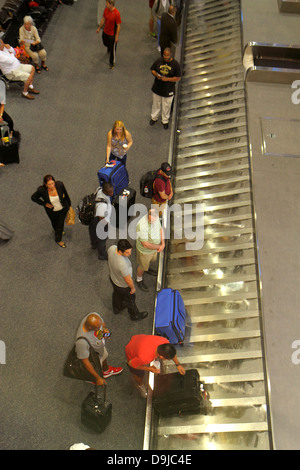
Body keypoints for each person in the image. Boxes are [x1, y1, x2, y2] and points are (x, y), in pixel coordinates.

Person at [75, 312, 123, 386]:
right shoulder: (81, 342)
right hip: (92, 355)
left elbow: (102, 325)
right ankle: (91, 378)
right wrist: (97, 378)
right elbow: (85, 361)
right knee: (94, 367)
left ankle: (106, 371)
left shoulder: (94, 315)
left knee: (104, 356)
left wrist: (104, 331)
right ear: (90, 327)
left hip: (99, 348)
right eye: (97, 328)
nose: (99, 328)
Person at [107, 239, 148, 321]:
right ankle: (135, 315)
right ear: (120, 251)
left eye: (130, 251)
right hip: (123, 286)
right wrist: (132, 288)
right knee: (130, 300)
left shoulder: (112, 248)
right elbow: (128, 280)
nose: (130, 254)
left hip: (114, 278)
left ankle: (117, 308)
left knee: (117, 294)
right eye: (127, 252)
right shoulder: (122, 264)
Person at [31, 174, 71, 248]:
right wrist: (44, 203)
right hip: (51, 211)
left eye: (53, 183)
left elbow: (66, 195)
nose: (52, 186)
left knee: (60, 224)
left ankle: (58, 240)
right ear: (45, 184)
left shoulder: (60, 185)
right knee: (54, 223)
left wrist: (69, 206)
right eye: (49, 184)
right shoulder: (41, 190)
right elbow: (33, 197)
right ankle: (57, 231)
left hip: (62, 209)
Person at [149, 47, 181, 129]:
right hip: (157, 87)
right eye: (164, 55)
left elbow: (178, 78)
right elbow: (152, 69)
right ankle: (154, 117)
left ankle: (165, 120)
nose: (166, 57)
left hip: (168, 89)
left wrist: (167, 79)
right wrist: (157, 75)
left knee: (166, 106)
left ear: (171, 55)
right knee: (156, 104)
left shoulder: (175, 64)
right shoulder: (159, 61)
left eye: (167, 55)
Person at [136, 208, 165, 292]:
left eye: (155, 219)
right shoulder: (142, 226)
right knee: (142, 266)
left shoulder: (155, 219)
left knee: (150, 261)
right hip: (145, 252)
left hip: (154, 249)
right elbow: (145, 244)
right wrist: (159, 247)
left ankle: (147, 268)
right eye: (152, 220)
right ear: (148, 216)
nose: (154, 221)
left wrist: (163, 243)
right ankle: (139, 279)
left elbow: (160, 229)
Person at [89, 181, 114, 260]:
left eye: (112, 191)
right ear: (104, 191)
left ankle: (94, 244)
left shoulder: (99, 189)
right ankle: (102, 255)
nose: (112, 193)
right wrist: (107, 225)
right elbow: (101, 219)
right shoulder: (102, 206)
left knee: (93, 233)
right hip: (100, 222)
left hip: (93, 218)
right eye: (109, 192)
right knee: (102, 239)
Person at [96, 0, 121, 70]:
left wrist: (117, 36)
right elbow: (103, 19)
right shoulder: (106, 9)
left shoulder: (117, 13)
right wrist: (99, 28)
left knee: (112, 50)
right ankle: (109, 47)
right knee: (105, 42)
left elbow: (118, 26)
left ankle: (111, 63)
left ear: (111, 4)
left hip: (112, 35)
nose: (105, 4)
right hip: (105, 31)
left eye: (107, 3)